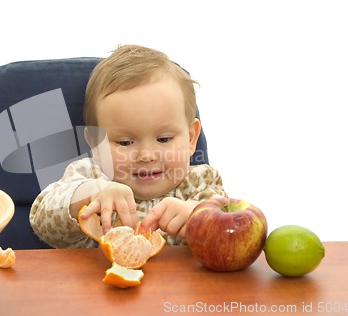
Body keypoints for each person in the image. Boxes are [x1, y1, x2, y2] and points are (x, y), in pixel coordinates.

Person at [29, 44, 227, 248]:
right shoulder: (91, 175)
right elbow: (42, 221)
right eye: (125, 142)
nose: (146, 156)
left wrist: (198, 216)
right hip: (101, 279)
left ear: (191, 138)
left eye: (164, 139)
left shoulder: (200, 183)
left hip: (182, 281)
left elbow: (229, 233)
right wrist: (89, 194)